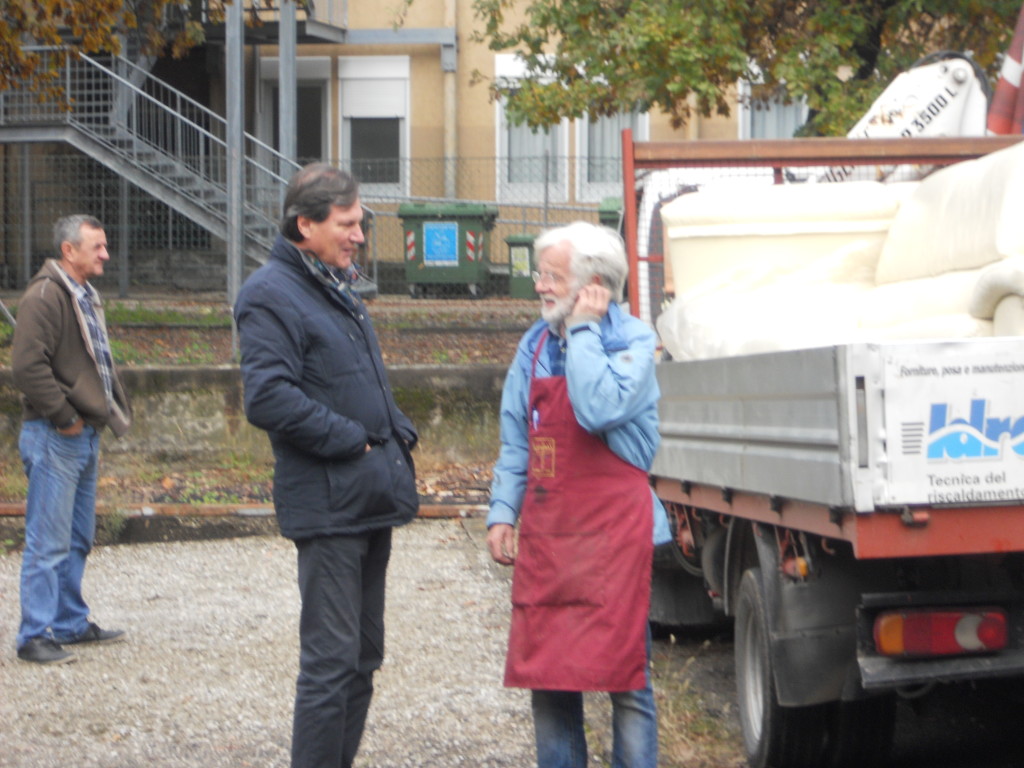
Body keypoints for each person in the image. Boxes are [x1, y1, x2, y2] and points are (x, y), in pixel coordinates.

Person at [234, 163, 419, 768]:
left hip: (367, 498)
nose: (359, 234)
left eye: (359, 222)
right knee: (330, 664)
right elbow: (268, 398)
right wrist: (357, 441)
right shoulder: (269, 294)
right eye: (347, 223)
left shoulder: (336, 286)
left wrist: (395, 431)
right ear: (304, 224)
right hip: (330, 506)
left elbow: (355, 379)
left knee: (363, 660)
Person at [487, 221, 672, 768]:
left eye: (553, 276)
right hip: (553, 539)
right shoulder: (535, 344)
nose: (540, 286)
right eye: (539, 274)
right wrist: (502, 511)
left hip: (617, 538)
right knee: (551, 675)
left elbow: (598, 408)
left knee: (627, 679)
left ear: (592, 284)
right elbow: (517, 436)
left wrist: (587, 328)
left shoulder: (633, 340)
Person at [12, 214, 132, 665]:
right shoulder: (45, 296)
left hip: (82, 434)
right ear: (69, 251)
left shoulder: (82, 294)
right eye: (97, 247)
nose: (105, 254)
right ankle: (34, 635)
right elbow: (27, 367)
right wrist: (64, 417)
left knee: (77, 534)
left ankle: (69, 623)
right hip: (56, 435)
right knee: (48, 540)